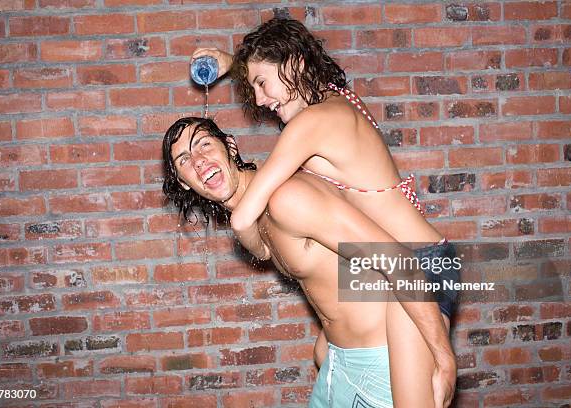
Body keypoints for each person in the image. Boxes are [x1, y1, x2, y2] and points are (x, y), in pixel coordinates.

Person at [191, 18, 458, 407]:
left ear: (295, 64)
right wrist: (235, 63)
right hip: (399, 261)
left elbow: (244, 216)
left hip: (414, 265)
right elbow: (283, 73)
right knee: (327, 350)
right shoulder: (336, 98)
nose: (261, 99)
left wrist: (446, 359)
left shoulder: (308, 125)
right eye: (253, 88)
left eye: (262, 84)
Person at [162, 117, 457, 408]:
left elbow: (400, 261)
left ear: (230, 146)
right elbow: (270, 252)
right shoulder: (254, 217)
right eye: (185, 160)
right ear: (183, 183)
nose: (199, 160)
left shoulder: (288, 199)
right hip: (339, 363)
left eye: (203, 144)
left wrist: (444, 360)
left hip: (381, 366)